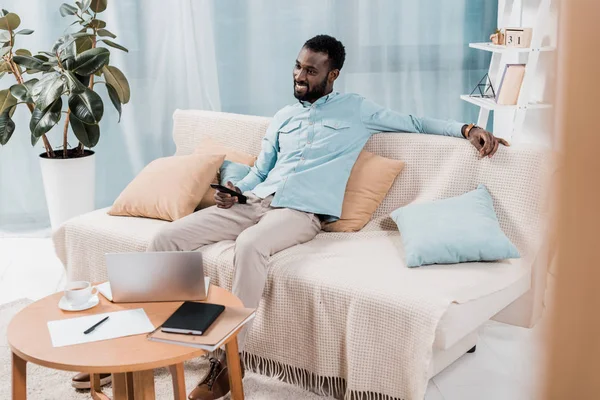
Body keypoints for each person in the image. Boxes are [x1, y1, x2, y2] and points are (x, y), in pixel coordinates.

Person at [72, 34, 507, 399]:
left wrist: (468, 129)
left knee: (250, 247)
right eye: (297, 67)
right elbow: (262, 170)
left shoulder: (356, 110)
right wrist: (237, 191)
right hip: (253, 202)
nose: (300, 77)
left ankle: (226, 359)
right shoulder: (282, 118)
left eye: (311, 71)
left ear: (333, 75)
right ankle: (139, 346)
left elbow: (413, 120)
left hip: (301, 213)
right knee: (166, 240)